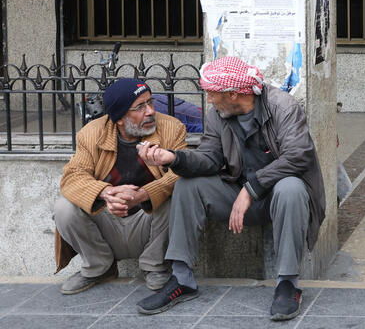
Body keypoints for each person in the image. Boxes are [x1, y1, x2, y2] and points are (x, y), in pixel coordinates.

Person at [135, 56, 326, 321]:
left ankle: (288, 284)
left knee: (290, 188)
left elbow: (299, 155)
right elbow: (210, 158)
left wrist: (251, 189)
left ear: (234, 93)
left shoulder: (282, 107)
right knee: (188, 186)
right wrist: (174, 158)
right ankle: (182, 278)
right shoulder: (218, 115)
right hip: (238, 192)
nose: (209, 100)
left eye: (212, 94)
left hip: (280, 198)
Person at [54, 78, 188, 295]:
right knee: (64, 207)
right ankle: (99, 267)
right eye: (140, 107)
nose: (151, 111)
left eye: (150, 102)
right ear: (119, 118)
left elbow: (181, 173)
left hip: (149, 221)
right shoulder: (91, 133)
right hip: (107, 222)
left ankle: (155, 266)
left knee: (179, 195)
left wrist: (144, 194)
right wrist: (106, 193)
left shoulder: (172, 128)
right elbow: (72, 177)